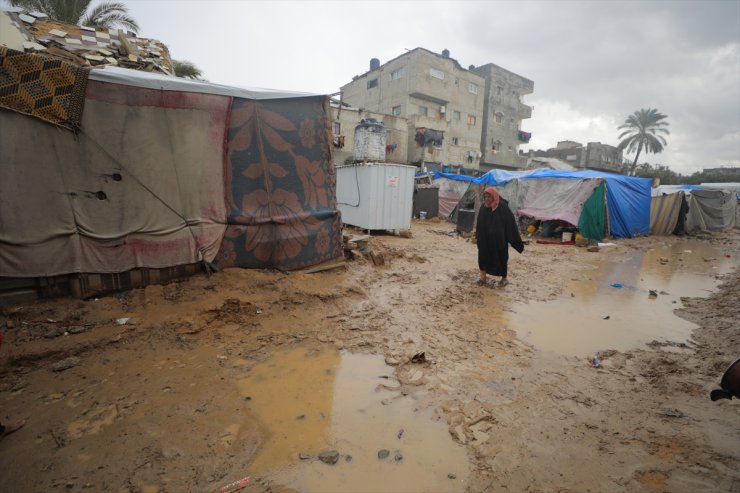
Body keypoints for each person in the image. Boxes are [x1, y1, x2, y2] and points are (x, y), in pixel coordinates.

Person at [475, 186, 524, 287]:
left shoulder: (502, 207)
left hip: (499, 240)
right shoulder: (483, 207)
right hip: (485, 240)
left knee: (502, 258)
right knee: (483, 257)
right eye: (485, 196)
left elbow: (510, 223)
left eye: (489, 196)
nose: (487, 199)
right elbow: (479, 223)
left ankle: (504, 279)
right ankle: (482, 278)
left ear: (494, 196)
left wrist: (515, 241)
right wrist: (478, 237)